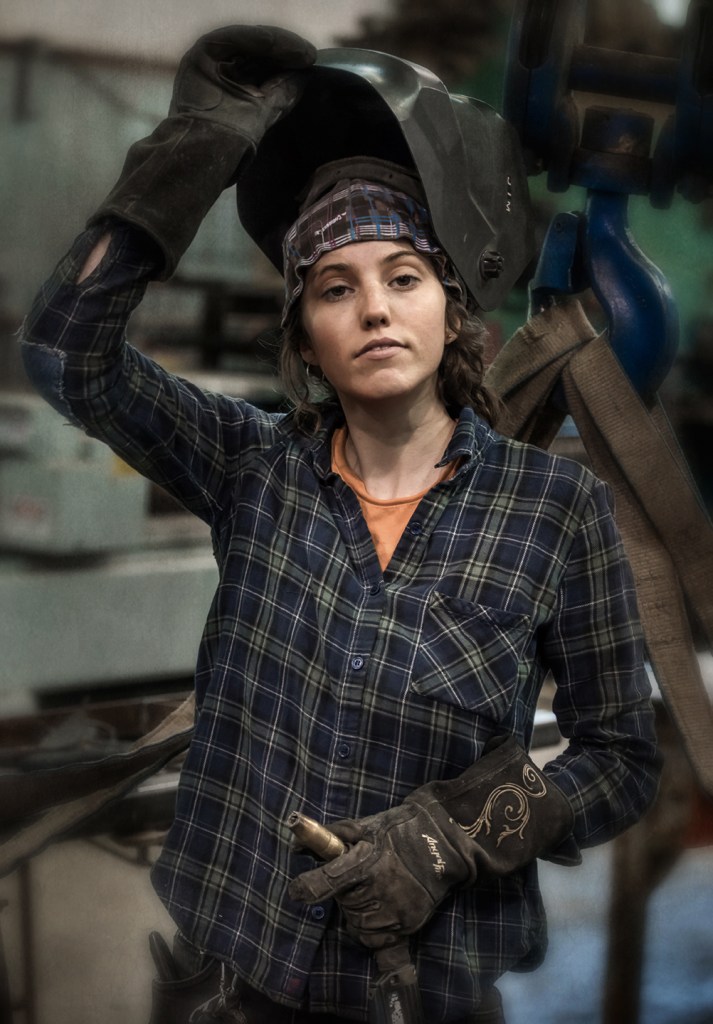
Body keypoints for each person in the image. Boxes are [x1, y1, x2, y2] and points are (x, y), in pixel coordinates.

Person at [20, 25, 660, 1024]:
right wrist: (194, 148)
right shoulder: (250, 467)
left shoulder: (552, 509)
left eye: (402, 277)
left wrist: (452, 837)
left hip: (424, 996)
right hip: (231, 984)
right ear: (304, 338)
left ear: (450, 306)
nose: (373, 309)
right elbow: (66, 353)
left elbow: (619, 755)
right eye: (333, 287)